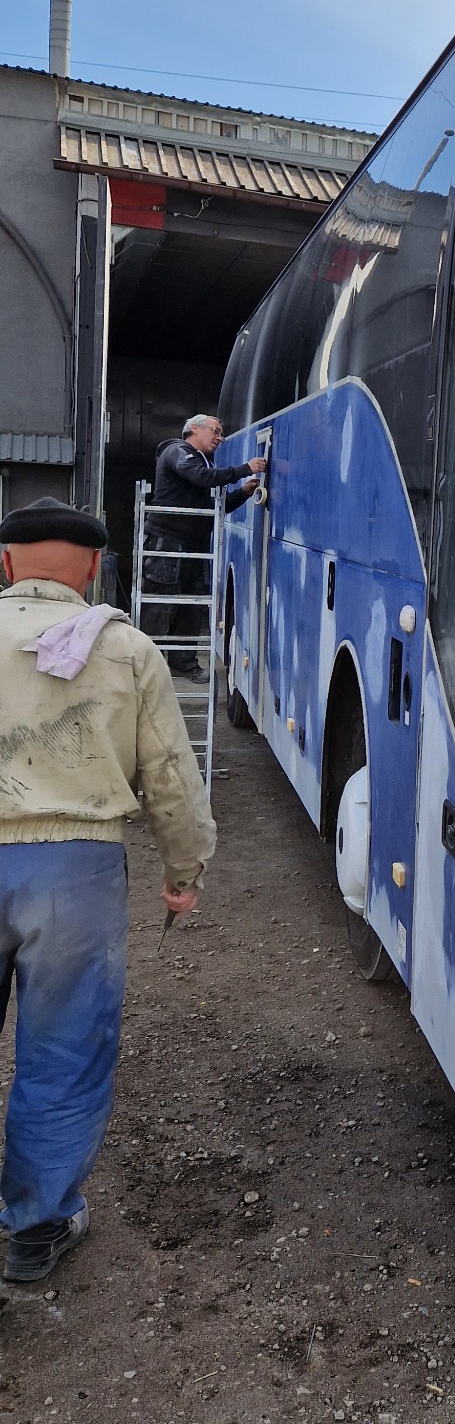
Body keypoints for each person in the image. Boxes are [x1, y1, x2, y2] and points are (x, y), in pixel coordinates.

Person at [0, 497, 216, 1284]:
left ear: (5, 564)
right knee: (64, 1053)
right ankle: (35, 1230)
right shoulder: (124, 647)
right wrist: (183, 873)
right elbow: (171, 778)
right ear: (93, 567)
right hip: (76, 873)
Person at [143, 414, 266, 674]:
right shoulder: (177, 452)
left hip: (192, 543)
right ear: (195, 429)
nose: (220, 438)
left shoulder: (202, 461)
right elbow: (202, 477)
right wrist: (244, 469)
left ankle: (184, 664)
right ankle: (144, 667)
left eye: (221, 433)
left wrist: (243, 493)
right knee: (160, 606)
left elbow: (214, 507)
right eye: (215, 431)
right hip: (168, 542)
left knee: (190, 605)